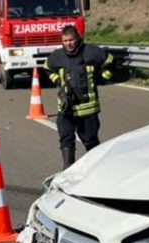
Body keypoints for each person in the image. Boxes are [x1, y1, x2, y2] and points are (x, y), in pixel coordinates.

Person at [45, 24, 114, 169]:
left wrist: (102, 77)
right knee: (66, 139)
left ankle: (97, 169)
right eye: (65, 41)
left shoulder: (92, 52)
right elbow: (47, 69)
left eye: (71, 40)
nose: (68, 43)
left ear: (77, 38)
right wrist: (58, 81)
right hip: (66, 109)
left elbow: (111, 62)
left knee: (90, 140)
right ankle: (67, 168)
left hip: (88, 109)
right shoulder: (57, 57)